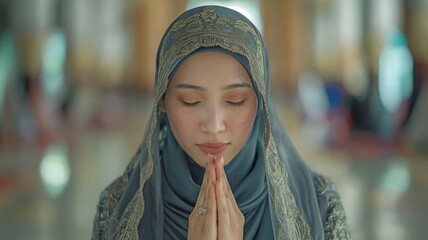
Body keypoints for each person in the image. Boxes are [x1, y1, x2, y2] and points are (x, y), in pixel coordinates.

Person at [92, 5, 350, 240]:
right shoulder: (118, 208)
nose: (214, 126)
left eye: (236, 100)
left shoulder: (319, 206)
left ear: (260, 102)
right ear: (162, 102)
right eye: (190, 101)